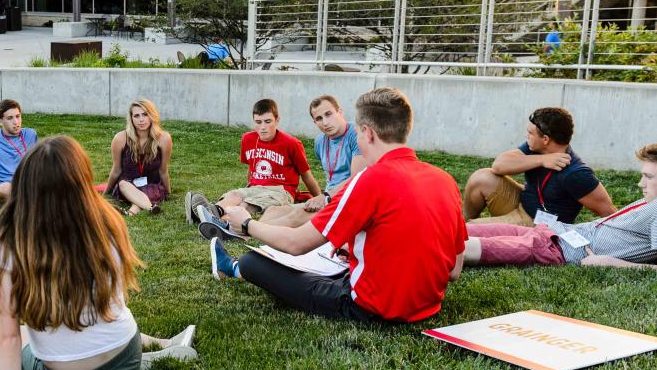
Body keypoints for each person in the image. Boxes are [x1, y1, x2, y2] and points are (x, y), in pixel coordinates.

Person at [0, 135, 197, 370]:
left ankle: (159, 353)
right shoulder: (107, 221)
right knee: (103, 316)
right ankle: (159, 352)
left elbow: (6, 338)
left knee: (24, 332)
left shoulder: (6, 236)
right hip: (125, 356)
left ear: (25, 183)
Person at [208, 87, 467, 323]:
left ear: (367, 133)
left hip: (370, 307)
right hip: (429, 305)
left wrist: (246, 224)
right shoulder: (445, 180)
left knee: (253, 262)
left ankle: (235, 268)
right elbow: (454, 271)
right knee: (337, 254)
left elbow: (296, 244)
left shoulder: (368, 180)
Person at [463, 141, 657, 273]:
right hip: (554, 233)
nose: (640, 184)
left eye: (649, 177)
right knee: (462, 231)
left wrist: (610, 263)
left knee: (467, 247)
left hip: (556, 249)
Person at [204, 94, 362, 237]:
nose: (325, 122)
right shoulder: (320, 142)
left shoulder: (356, 135)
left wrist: (324, 196)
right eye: (319, 118)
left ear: (340, 111)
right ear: (314, 122)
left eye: (329, 114)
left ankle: (236, 230)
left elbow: (357, 179)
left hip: (348, 200)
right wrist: (319, 197)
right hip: (331, 198)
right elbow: (332, 178)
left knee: (296, 216)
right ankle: (231, 223)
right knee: (273, 211)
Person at [463, 107, 615, 227]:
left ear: (546, 139)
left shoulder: (576, 174)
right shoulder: (536, 148)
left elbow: (611, 214)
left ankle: (462, 231)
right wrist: (542, 160)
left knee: (470, 230)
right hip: (523, 203)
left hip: (536, 225)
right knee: (481, 177)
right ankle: (461, 221)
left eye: (530, 133)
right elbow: (498, 166)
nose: (527, 136)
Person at [184, 98, 321, 226]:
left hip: (280, 191)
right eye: (258, 122)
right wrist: (248, 188)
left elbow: (306, 175)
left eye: (268, 121)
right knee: (235, 195)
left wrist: (320, 199)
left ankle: (222, 223)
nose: (263, 127)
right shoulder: (248, 139)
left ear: (277, 120)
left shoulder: (291, 143)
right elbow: (252, 167)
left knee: (246, 204)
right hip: (255, 187)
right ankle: (213, 211)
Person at [107, 99, 172, 216]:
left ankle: (131, 212)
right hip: (127, 186)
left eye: (145, 114)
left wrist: (168, 192)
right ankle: (151, 207)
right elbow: (116, 170)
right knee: (123, 184)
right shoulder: (120, 138)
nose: (141, 120)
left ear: (152, 116)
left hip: (152, 186)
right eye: (136, 116)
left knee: (145, 193)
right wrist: (106, 192)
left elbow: (163, 170)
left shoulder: (164, 138)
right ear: (131, 119)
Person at [0, 99, 39, 202]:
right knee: (5, 189)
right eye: (10, 118)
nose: (16, 122)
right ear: (0, 121)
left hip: (25, 184)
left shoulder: (30, 135)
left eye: (18, 116)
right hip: (3, 189)